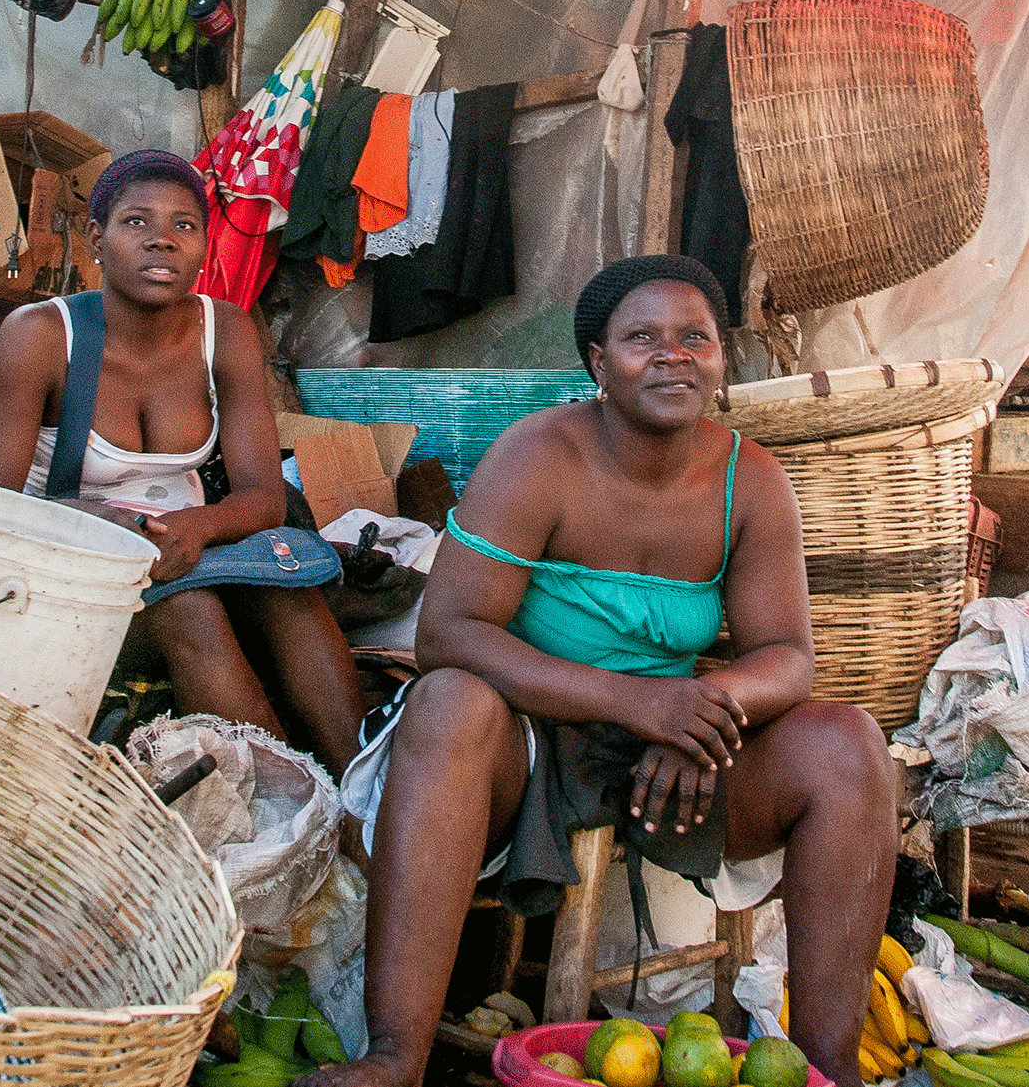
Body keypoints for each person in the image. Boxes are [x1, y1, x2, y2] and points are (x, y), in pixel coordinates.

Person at [306, 255, 897, 1087]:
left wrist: (704, 708)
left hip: (670, 753)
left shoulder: (750, 479)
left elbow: (787, 657)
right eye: (641, 338)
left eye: (696, 337)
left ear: (722, 359)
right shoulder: (538, 455)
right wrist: (636, 701)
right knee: (446, 703)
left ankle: (828, 1072)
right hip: (530, 739)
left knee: (849, 743)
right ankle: (394, 1057)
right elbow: (449, 632)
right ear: (596, 363)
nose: (672, 355)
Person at [0, 150, 366, 775]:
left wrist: (195, 529)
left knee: (292, 596)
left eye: (184, 225)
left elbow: (263, 496)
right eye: (136, 223)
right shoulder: (39, 337)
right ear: (97, 238)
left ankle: (365, 800)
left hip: (189, 547)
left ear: (205, 244)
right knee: (190, 609)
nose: (162, 240)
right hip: (72, 560)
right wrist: (99, 524)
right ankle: (287, 806)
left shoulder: (225, 331)